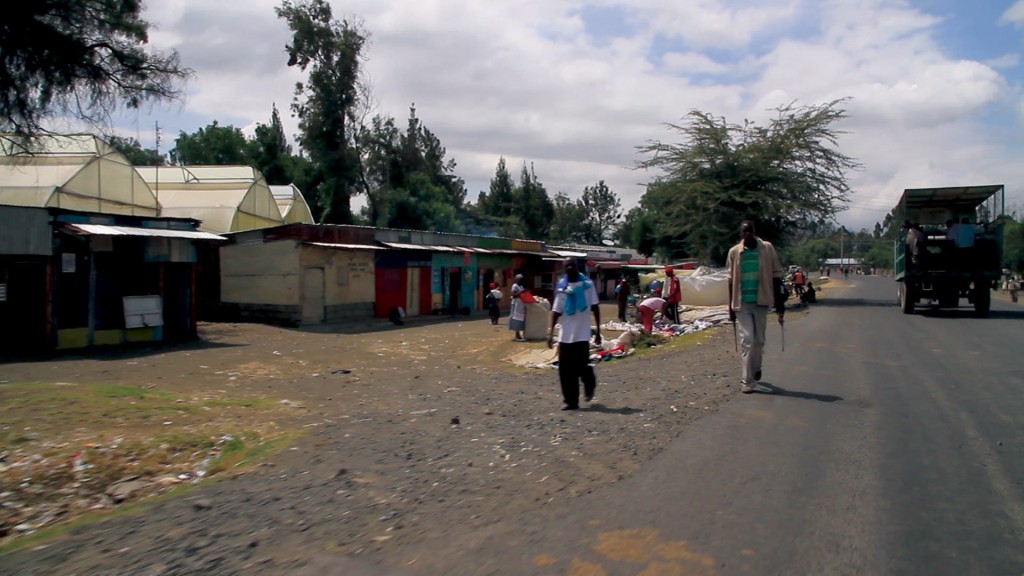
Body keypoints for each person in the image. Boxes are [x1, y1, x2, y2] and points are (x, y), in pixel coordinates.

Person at [726, 220, 786, 394]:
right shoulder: (734, 252)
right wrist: (730, 307)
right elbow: (730, 281)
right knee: (747, 340)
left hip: (761, 299)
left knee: (759, 340)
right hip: (742, 302)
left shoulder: (767, 248)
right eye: (744, 232)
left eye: (750, 231)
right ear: (741, 234)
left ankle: (757, 367)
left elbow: (776, 276)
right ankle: (747, 380)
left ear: (754, 232)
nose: (748, 234)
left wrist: (779, 303)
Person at [547, 260, 602, 410]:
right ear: (564, 269)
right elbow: (556, 312)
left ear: (578, 268)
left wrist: (598, 331)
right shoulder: (562, 288)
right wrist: (550, 334)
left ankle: (589, 381)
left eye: (573, 265)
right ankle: (571, 401)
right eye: (567, 266)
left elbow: (595, 307)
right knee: (565, 370)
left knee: (581, 367)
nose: (570, 268)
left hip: (582, 335)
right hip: (565, 336)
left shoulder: (588, 286)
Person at [508, 274, 527, 341]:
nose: (522, 280)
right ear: (517, 279)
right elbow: (513, 295)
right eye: (520, 279)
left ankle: (519, 335)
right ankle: (517, 335)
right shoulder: (514, 286)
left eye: (522, 279)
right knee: (516, 319)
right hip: (516, 304)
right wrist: (521, 293)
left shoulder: (521, 286)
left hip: (520, 305)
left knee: (520, 319)